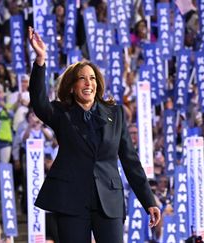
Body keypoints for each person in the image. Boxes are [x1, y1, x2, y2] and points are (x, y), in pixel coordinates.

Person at [28, 26, 161, 242]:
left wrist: (149, 201)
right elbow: (39, 102)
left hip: (108, 200)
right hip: (71, 200)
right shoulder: (62, 113)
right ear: (72, 86)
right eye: (82, 78)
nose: (88, 83)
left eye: (92, 78)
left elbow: (130, 161)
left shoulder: (115, 114)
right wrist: (40, 59)